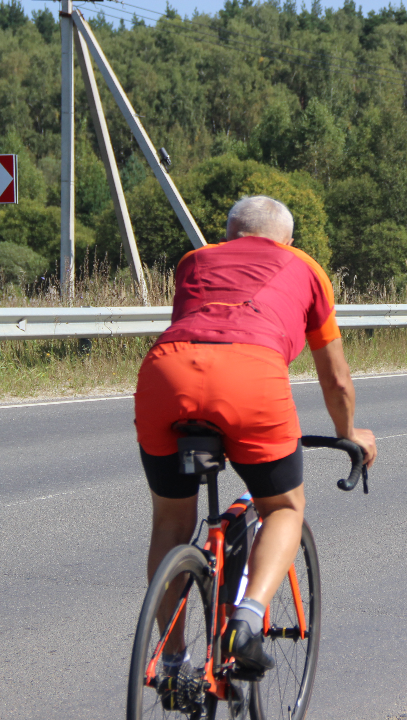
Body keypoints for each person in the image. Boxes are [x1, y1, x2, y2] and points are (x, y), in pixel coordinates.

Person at [134, 195, 377, 673]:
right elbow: (336, 379)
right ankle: (246, 620)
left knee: (169, 523)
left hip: (167, 373)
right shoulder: (305, 268)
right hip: (250, 379)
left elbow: (200, 322)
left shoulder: (194, 260)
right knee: (284, 507)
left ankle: (174, 663)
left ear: (229, 235)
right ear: (288, 241)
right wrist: (350, 433)